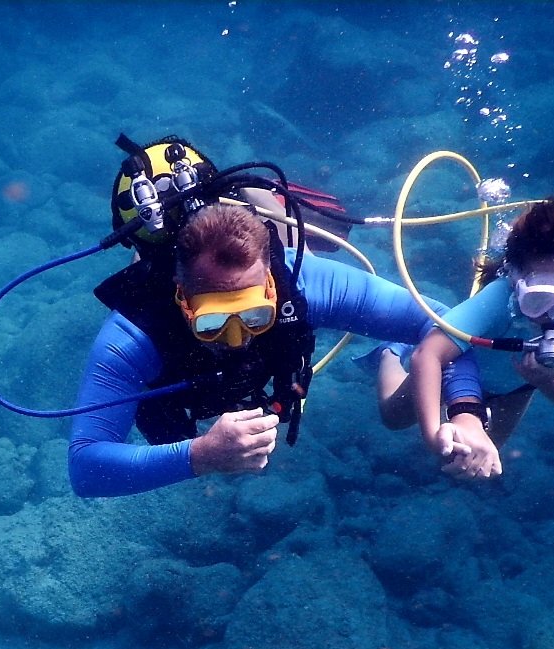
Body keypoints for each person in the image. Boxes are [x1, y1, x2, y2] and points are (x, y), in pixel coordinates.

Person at [68, 136, 483, 497]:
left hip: (280, 246)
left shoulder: (300, 279)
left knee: (302, 239)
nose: (237, 340)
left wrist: (467, 412)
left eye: (254, 315)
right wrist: (200, 455)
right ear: (183, 298)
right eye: (213, 323)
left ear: (270, 284)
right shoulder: (134, 335)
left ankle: (269, 204)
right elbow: (85, 469)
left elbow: (447, 324)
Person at [374, 196, 554, 479]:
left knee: (479, 457)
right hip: (458, 367)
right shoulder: (500, 298)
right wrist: (433, 436)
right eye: (541, 299)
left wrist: (547, 382)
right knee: (394, 418)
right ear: (516, 280)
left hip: (516, 389)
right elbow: (428, 355)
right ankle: (388, 353)